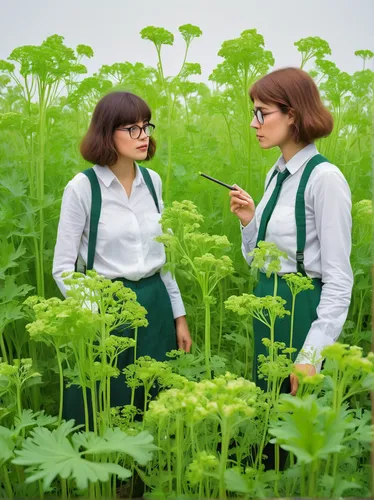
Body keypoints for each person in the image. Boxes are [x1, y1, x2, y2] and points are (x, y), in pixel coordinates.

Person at [53, 91, 192, 423]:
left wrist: (179, 316)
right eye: (132, 128)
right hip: (108, 309)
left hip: (156, 305)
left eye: (146, 126)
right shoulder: (83, 188)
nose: (143, 136)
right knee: (108, 406)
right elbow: (62, 268)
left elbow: (164, 256)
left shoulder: (153, 182)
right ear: (106, 133)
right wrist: (94, 315)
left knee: (157, 404)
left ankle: (148, 476)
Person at [229, 67, 353, 396]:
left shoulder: (324, 178)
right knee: (268, 425)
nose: (254, 123)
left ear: (292, 115)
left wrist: (312, 353)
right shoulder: (276, 173)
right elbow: (259, 259)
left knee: (296, 426)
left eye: (262, 113)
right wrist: (249, 221)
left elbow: (339, 279)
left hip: (304, 311)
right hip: (268, 309)